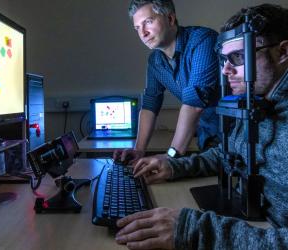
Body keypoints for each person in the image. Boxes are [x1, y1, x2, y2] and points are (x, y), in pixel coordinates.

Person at [115, 4, 288, 249]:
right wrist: (173, 167)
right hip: (253, 213)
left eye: (238, 57)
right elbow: (229, 156)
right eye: (224, 59)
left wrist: (195, 229)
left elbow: (194, 103)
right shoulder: (256, 104)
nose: (225, 70)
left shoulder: (200, 41)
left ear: (283, 52)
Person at [114, 0, 220, 164]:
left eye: (148, 22)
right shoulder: (155, 61)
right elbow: (150, 105)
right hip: (207, 138)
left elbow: (194, 104)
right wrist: (139, 150)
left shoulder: (203, 40)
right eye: (137, 28)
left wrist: (171, 157)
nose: (143, 33)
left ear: (170, 19)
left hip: (238, 135)